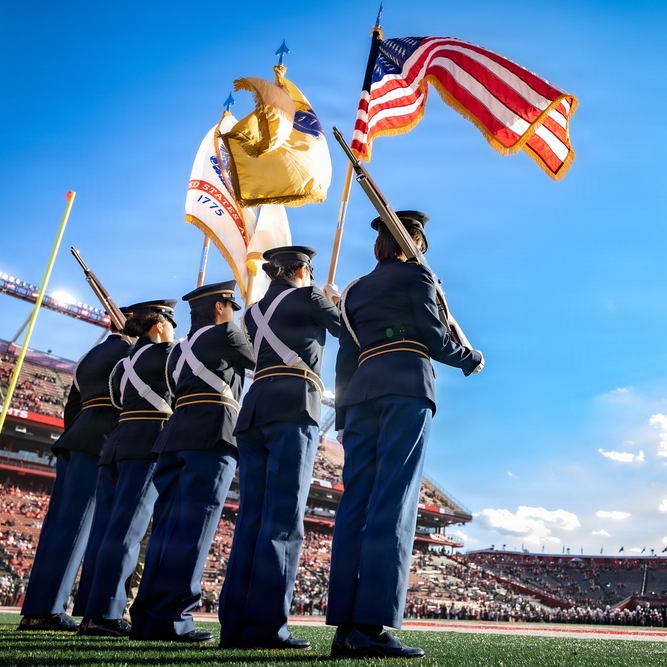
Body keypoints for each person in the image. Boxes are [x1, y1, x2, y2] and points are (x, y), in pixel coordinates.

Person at [327, 211, 483, 659]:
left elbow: (346, 356)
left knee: (355, 505)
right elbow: (435, 338)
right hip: (405, 389)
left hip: (359, 397)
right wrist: (468, 358)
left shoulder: (354, 291)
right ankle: (370, 627)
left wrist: (343, 414)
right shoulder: (419, 278)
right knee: (392, 503)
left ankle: (344, 628)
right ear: (414, 243)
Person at [218, 246, 341, 649]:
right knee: (284, 519)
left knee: (251, 520)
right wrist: (334, 300)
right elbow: (347, 329)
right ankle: (268, 626)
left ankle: (235, 626)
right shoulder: (310, 297)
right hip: (293, 403)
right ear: (304, 269)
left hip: (254, 409)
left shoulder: (252, 312)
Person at [129, 280, 255, 643]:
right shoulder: (227, 333)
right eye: (232, 305)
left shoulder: (177, 350)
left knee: (166, 530)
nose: (235, 311)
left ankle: (148, 616)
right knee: (195, 528)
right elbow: (261, 361)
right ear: (219, 307)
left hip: (173, 437)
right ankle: (173, 617)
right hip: (212, 432)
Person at [18, 317, 133, 631]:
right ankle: (61, 612)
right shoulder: (133, 354)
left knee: (60, 527)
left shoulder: (89, 356)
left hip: (76, 438)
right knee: (85, 529)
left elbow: (72, 406)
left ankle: (37, 609)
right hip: (104, 442)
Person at [76, 299, 178, 637]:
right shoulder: (169, 356)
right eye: (171, 324)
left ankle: (93, 612)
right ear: (159, 325)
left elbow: (119, 401)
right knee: (130, 532)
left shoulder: (122, 364)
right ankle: (106, 614)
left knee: (108, 530)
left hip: (116, 444)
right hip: (148, 443)